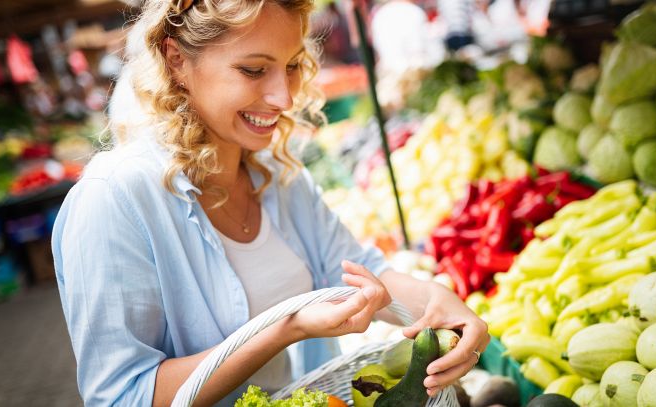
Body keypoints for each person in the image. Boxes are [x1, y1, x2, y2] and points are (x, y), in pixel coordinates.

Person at [51, 0, 490, 405]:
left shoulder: (277, 177)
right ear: (177, 60)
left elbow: (361, 271)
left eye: (293, 65)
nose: (284, 98)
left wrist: (438, 300)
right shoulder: (114, 200)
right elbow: (122, 395)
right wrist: (285, 328)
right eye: (253, 70)